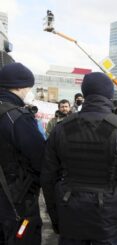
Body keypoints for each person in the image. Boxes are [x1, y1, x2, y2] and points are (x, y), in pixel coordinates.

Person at [41, 72, 117, 245]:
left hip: (71, 213)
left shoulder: (61, 129)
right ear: (110, 94)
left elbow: (48, 178)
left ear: (84, 93)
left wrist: (56, 217)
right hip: (109, 219)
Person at [0, 62, 45, 244]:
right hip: (15, 198)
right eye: (28, 87)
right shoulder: (17, 117)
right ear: (19, 86)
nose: (28, 92)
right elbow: (40, 158)